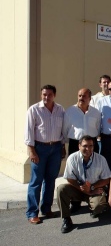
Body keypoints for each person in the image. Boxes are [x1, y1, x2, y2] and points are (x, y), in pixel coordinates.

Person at [24, 85, 66, 225]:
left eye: (49, 94)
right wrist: (31, 151)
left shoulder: (60, 110)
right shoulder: (34, 109)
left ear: (54, 95)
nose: (46, 97)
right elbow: (29, 132)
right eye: (44, 94)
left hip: (55, 148)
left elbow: (63, 131)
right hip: (39, 148)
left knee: (50, 179)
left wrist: (62, 147)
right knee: (36, 181)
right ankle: (32, 213)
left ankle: (46, 208)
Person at [57, 136, 111, 233]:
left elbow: (107, 179)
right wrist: (81, 188)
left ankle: (94, 209)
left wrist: (92, 187)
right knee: (61, 189)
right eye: (85, 146)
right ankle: (66, 219)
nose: (88, 149)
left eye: (91, 146)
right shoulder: (72, 158)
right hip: (78, 188)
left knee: (99, 206)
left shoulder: (101, 159)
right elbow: (69, 178)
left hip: (95, 189)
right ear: (79, 146)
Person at [63, 88, 101, 155]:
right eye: (79, 96)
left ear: (90, 98)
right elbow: (64, 129)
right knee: (75, 165)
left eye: (84, 96)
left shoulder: (95, 112)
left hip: (92, 144)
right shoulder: (70, 111)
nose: (81, 98)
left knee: (93, 165)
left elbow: (98, 128)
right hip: (75, 144)